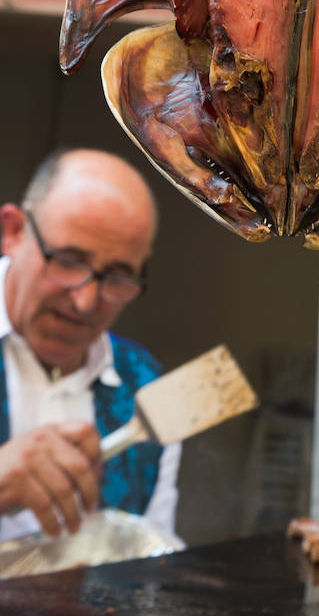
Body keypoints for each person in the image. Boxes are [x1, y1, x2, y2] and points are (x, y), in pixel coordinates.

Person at [0, 147, 181, 541]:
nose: (85, 302)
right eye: (67, 260)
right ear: (12, 231)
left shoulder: (147, 391)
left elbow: (149, 561)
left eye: (117, 276)